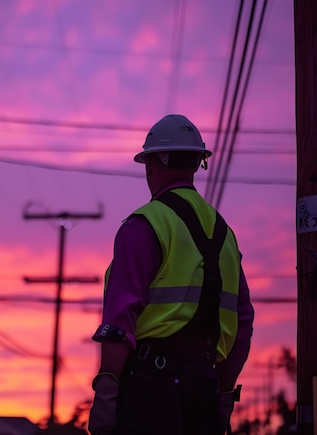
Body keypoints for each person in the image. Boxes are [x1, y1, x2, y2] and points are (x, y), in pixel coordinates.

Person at [87, 114, 254, 435]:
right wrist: (222, 394)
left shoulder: (144, 226)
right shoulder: (225, 236)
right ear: (197, 164)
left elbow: (121, 322)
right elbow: (242, 324)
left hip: (151, 388)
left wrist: (106, 393)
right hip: (205, 387)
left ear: (152, 164)